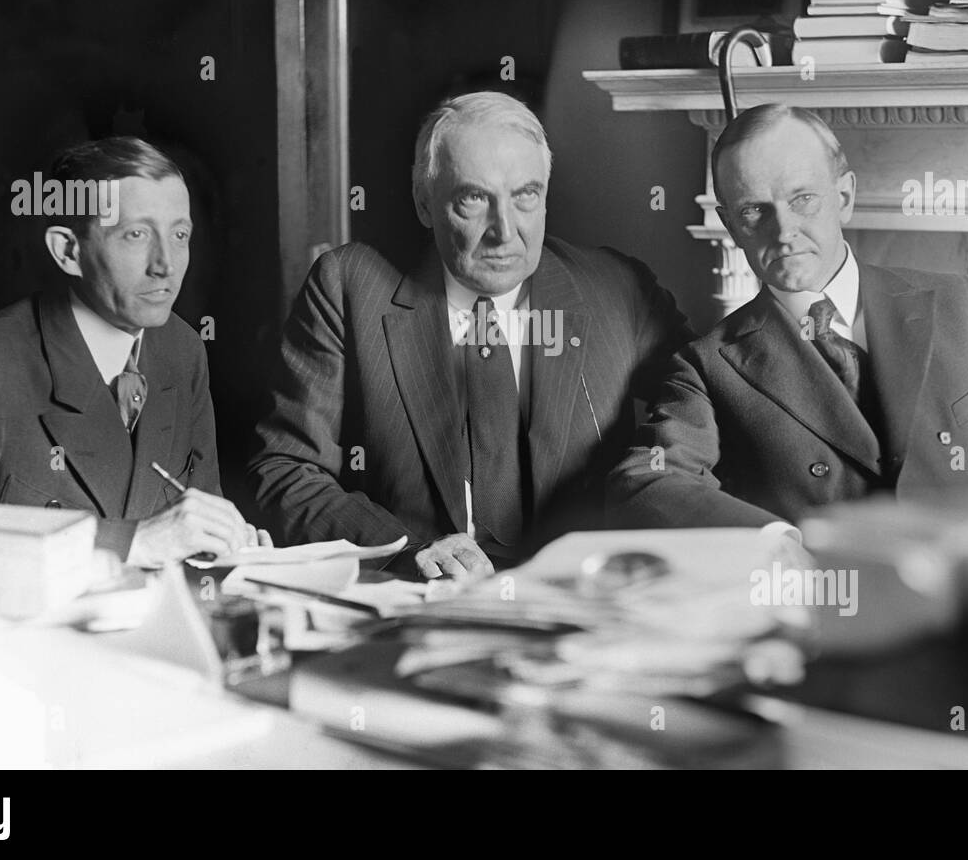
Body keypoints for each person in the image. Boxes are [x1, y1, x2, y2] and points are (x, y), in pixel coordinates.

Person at [608, 104, 968, 529]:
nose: (784, 231)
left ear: (844, 195)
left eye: (804, 200)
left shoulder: (964, 304)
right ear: (730, 223)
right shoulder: (706, 365)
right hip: (839, 617)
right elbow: (647, 478)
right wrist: (777, 545)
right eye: (756, 210)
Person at [249, 91, 693, 580]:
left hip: (583, 598)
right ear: (425, 203)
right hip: (418, 598)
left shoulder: (618, 289)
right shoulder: (348, 285)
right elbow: (287, 469)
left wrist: (644, 480)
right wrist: (401, 549)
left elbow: (698, 398)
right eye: (474, 198)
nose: (504, 231)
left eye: (525, 195)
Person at [0, 136, 269, 568]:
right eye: (136, 234)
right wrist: (132, 543)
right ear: (69, 251)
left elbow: (197, 516)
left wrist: (224, 544)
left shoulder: (182, 350)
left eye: (180, 234)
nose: (165, 263)